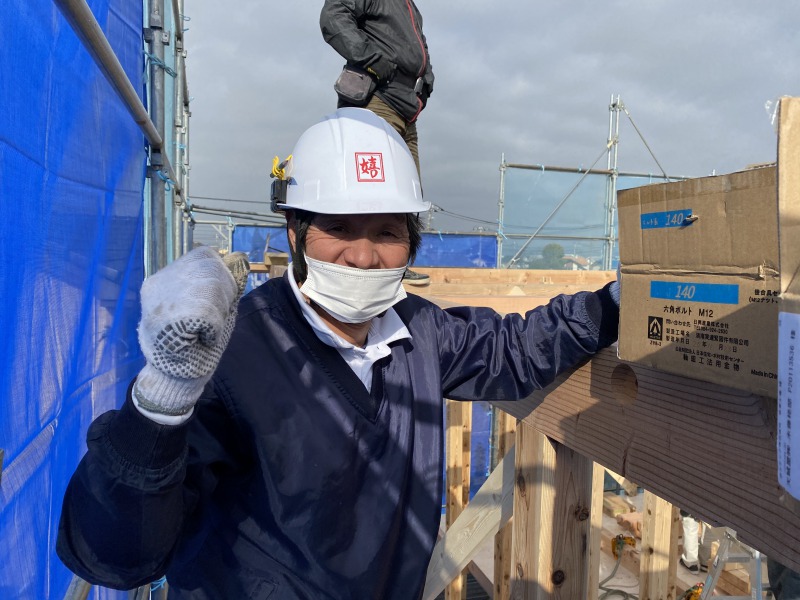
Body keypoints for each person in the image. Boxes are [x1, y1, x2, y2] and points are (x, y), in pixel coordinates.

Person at [57, 108, 621, 599]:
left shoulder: (420, 333)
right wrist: (162, 400)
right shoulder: (232, 355)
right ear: (294, 231)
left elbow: (512, 350)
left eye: (387, 231)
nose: (364, 256)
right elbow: (116, 556)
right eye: (339, 228)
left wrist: (616, 305)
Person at [320, 0, 434, 286]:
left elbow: (420, 47)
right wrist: (372, 60)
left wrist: (427, 81)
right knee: (375, 187)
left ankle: (397, 265)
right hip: (378, 100)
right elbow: (333, 16)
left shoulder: (409, 6)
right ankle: (366, 266)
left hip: (407, 109)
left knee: (407, 191)